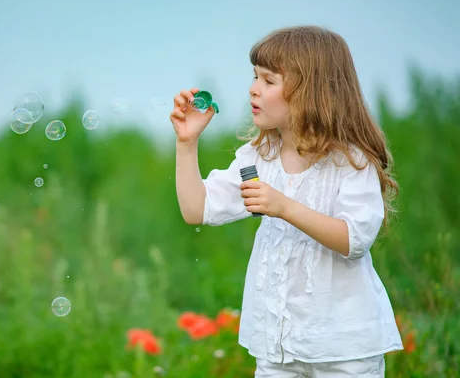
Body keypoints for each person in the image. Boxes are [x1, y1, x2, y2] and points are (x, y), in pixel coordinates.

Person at [170, 25, 403, 377]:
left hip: (344, 349)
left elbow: (354, 239)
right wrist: (187, 144)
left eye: (268, 80)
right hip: (277, 346)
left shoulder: (351, 162)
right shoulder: (258, 157)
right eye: (254, 77)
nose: (253, 88)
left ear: (311, 90)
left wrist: (285, 207)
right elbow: (195, 209)